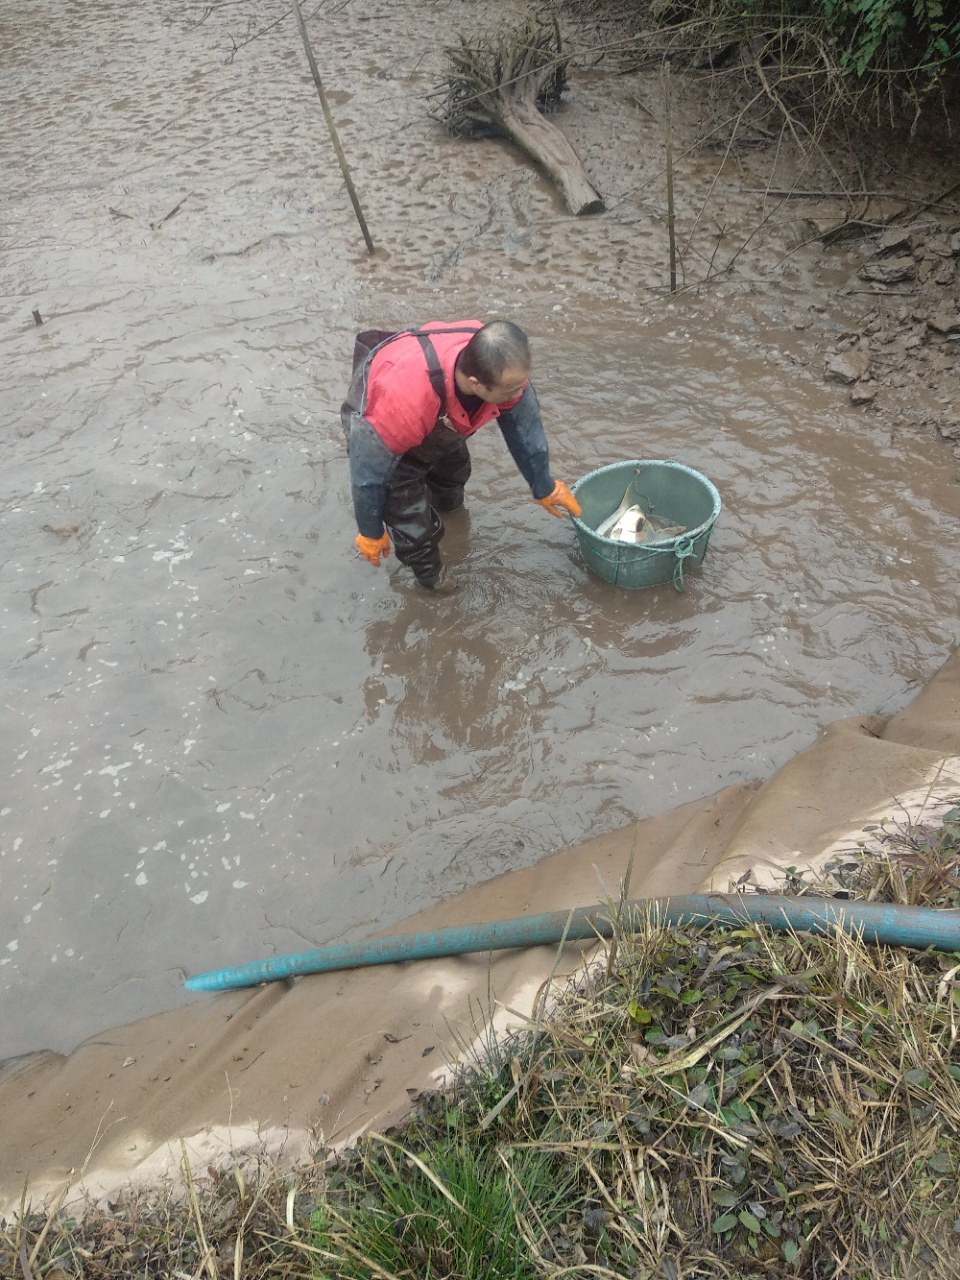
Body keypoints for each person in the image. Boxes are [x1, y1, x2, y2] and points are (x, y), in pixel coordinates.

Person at [341, 319, 582, 592]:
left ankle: (451, 514)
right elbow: (367, 474)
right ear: (475, 383)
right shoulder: (403, 403)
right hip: (386, 421)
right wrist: (370, 530)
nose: (520, 392)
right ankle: (432, 581)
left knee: (455, 473)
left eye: (521, 384)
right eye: (512, 390)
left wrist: (543, 486)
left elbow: (524, 427)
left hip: (440, 415)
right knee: (414, 527)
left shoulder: (500, 367)